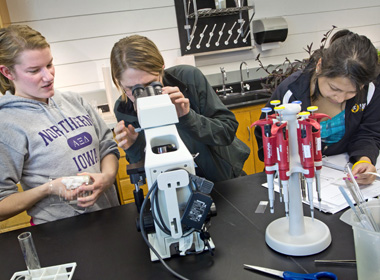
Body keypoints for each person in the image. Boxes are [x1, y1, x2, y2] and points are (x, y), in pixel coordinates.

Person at [0, 25, 120, 225]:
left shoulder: (74, 101)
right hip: (60, 232)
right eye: (34, 70)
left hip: (109, 217)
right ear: (7, 72)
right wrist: (49, 188)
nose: (48, 76)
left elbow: (107, 146)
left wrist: (107, 177)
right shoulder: (7, 125)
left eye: (49, 65)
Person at [111, 35, 250, 182]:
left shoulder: (188, 79)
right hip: (173, 186)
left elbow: (226, 132)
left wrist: (188, 117)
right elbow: (145, 175)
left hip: (222, 180)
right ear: (118, 82)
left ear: (161, 69)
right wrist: (133, 147)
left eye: (151, 84)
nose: (144, 95)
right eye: (133, 89)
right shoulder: (123, 109)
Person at [255, 29, 380, 185]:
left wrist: (364, 160)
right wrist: (287, 159)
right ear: (320, 66)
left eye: (352, 92)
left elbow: (368, 133)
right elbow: (266, 136)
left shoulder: (370, 90)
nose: (340, 98)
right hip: (294, 180)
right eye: (334, 88)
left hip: (339, 179)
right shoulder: (291, 93)